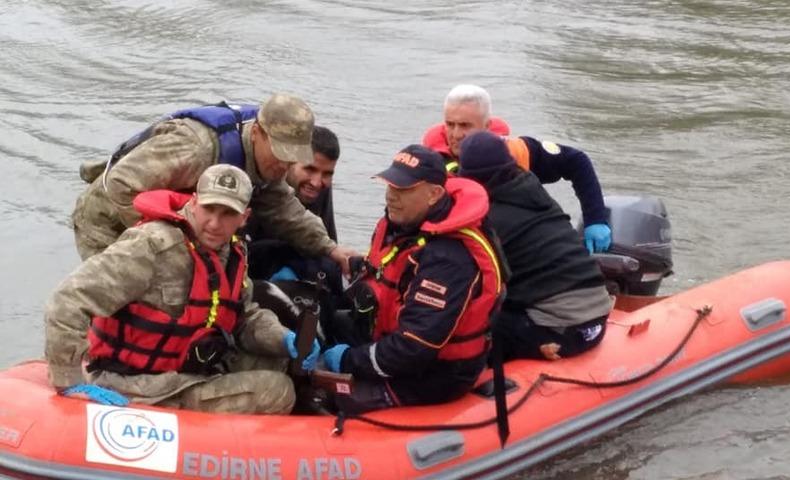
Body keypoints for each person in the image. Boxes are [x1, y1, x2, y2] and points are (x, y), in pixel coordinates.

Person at [44, 165, 320, 414]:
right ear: (194, 202)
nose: (214, 223)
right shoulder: (151, 246)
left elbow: (244, 317)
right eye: (209, 209)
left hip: (182, 368)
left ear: (244, 217)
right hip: (135, 381)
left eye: (227, 214)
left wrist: (286, 339)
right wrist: (69, 383)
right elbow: (67, 301)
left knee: (278, 362)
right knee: (278, 390)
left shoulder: (232, 252)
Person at [72, 93, 356, 273]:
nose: (284, 165)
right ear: (256, 132)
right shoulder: (197, 148)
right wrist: (177, 240)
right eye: (281, 154)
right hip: (108, 218)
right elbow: (122, 183)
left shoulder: (268, 163)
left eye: (293, 158)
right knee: (127, 295)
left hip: (181, 216)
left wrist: (329, 248)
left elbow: (284, 209)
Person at [320, 145, 503, 414]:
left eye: (403, 190)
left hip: (433, 373)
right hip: (389, 338)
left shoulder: (448, 259)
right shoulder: (404, 225)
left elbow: (413, 349)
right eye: (390, 186)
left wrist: (348, 360)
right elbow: (388, 272)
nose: (391, 197)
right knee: (322, 318)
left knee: (328, 398)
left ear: (434, 194)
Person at [458, 131, 612, 361]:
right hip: (598, 318)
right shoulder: (532, 190)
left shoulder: (488, 221)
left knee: (461, 328)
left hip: (560, 333)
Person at [421, 84, 613, 254]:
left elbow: (576, 162)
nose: (455, 134)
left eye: (465, 126)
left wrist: (595, 218)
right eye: (450, 124)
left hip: (515, 248)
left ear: (487, 126)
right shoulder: (429, 163)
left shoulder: (515, 152)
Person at [246, 126, 341, 283]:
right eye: (310, 169)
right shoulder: (265, 182)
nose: (317, 182)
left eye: (327, 174)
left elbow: (328, 243)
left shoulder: (320, 189)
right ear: (289, 162)